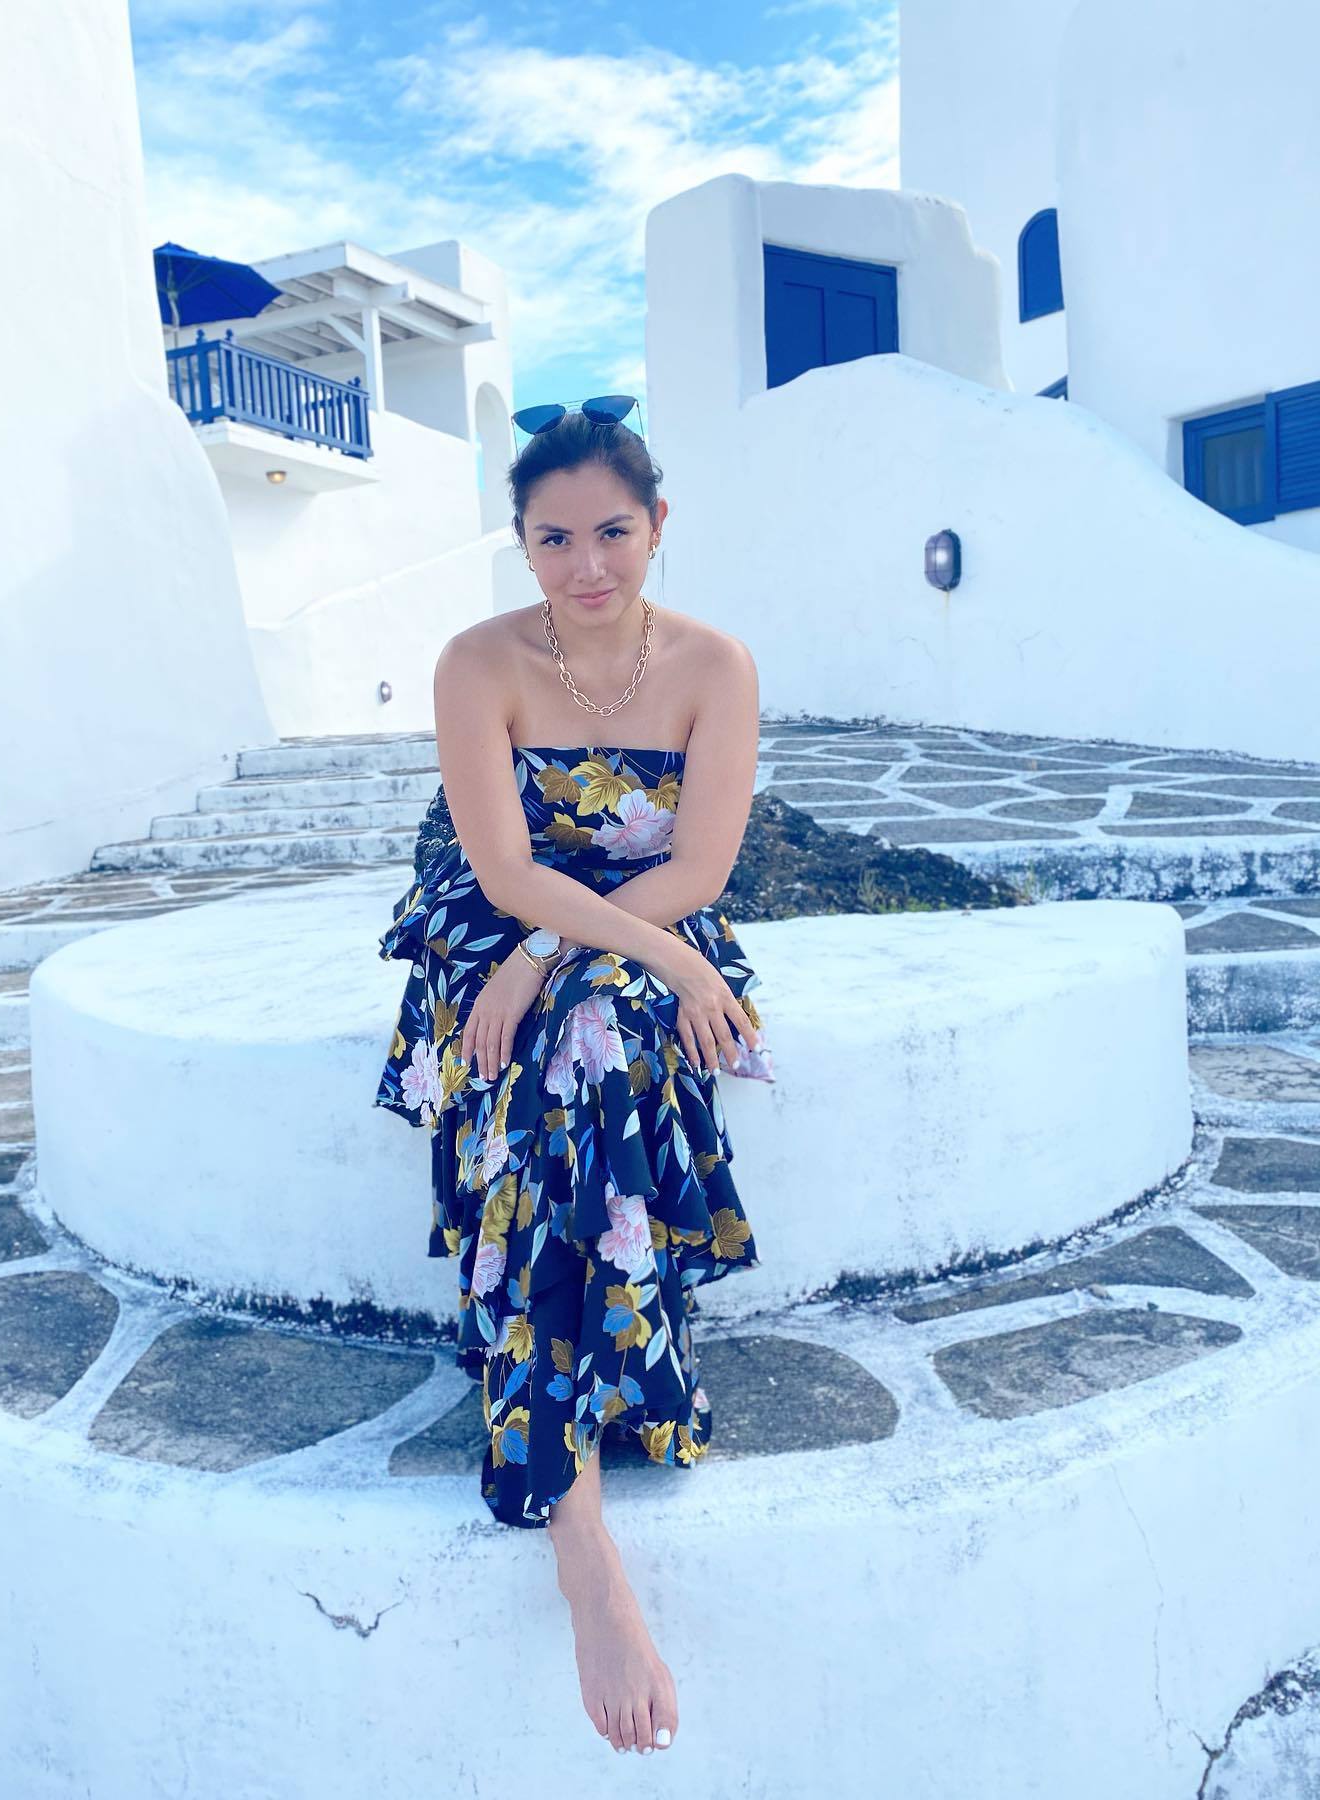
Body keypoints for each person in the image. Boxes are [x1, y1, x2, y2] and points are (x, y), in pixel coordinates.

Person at [374, 401, 775, 1756]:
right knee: (565, 1049)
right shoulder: (476, 662)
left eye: (613, 531)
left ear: (658, 524)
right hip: (495, 926)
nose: (587, 565)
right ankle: (585, 1538)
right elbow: (502, 873)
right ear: (522, 542)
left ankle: (562, 1482)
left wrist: (590, 956)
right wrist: (536, 953)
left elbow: (699, 868)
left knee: (596, 1032)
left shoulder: (715, 665)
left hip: (650, 918)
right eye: (555, 540)